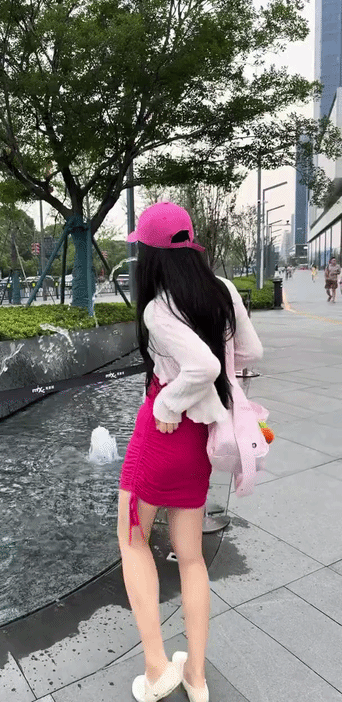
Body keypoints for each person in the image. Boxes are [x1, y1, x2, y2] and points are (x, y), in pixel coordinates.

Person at [118, 202, 263, 702]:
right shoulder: (221, 290)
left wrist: (170, 401)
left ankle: (157, 667)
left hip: (163, 432)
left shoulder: (158, 308)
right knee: (192, 557)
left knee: (133, 539)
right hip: (201, 440)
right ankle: (195, 677)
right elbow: (251, 352)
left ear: (149, 254)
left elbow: (202, 365)